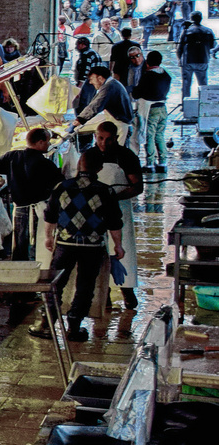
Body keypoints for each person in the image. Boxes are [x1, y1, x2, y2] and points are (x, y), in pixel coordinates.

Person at [43, 149, 125, 341]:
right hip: (92, 247)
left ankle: (47, 323)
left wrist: (48, 237)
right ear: (100, 168)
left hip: (64, 244)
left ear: (79, 164)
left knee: (55, 283)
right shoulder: (105, 191)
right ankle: (74, 325)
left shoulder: (61, 187)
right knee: (85, 285)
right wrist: (118, 246)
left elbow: (50, 216)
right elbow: (114, 222)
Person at [82, 121, 143, 310]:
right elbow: (81, 182)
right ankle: (104, 293)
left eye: (108, 140)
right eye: (100, 138)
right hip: (94, 210)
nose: (103, 143)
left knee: (123, 250)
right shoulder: (88, 156)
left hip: (120, 207)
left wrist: (114, 197)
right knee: (98, 252)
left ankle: (127, 291)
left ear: (116, 139)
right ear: (95, 136)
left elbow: (137, 187)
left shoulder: (127, 156)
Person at [0, 127, 60, 262]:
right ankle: (37, 271)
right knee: (36, 245)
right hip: (38, 211)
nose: (49, 144)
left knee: (20, 245)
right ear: (40, 142)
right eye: (47, 141)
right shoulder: (45, 164)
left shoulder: (12, 156)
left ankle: (20, 272)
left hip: (19, 209)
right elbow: (60, 186)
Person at [136, 51, 173, 171]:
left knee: (149, 136)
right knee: (160, 136)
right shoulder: (166, 75)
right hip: (163, 108)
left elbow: (138, 93)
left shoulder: (147, 75)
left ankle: (150, 164)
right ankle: (163, 163)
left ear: (147, 62)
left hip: (151, 109)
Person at [77, 66, 134, 138]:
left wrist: (79, 120)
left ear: (100, 78)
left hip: (120, 124)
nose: (90, 82)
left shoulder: (109, 87)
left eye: (91, 79)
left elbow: (95, 106)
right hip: (116, 120)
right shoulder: (113, 83)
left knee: (116, 148)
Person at [179, 11, 216, 97]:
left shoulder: (186, 31)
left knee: (186, 84)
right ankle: (203, 103)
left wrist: (179, 59)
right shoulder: (208, 31)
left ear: (191, 19)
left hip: (188, 60)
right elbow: (212, 46)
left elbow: (180, 47)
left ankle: (185, 104)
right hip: (203, 60)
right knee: (203, 84)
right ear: (201, 19)